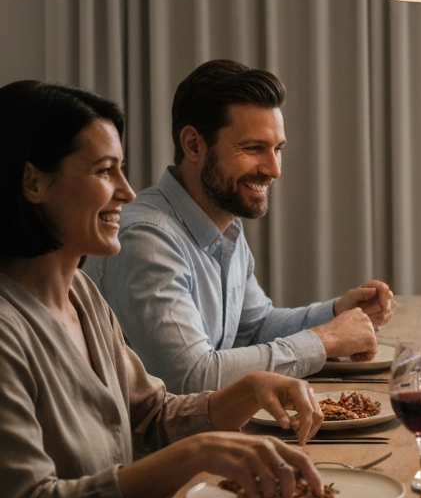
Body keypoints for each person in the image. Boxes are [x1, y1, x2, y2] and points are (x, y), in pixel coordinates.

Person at [0, 81, 327, 498]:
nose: (127, 192)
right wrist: (196, 453)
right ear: (32, 182)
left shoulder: (80, 294)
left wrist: (249, 390)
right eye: (105, 171)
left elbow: (150, 416)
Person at [88, 60, 394, 394]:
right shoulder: (145, 239)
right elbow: (191, 379)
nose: (274, 169)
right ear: (193, 144)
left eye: (277, 149)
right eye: (253, 148)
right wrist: (326, 340)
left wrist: (335, 313)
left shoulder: (224, 222)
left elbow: (254, 327)